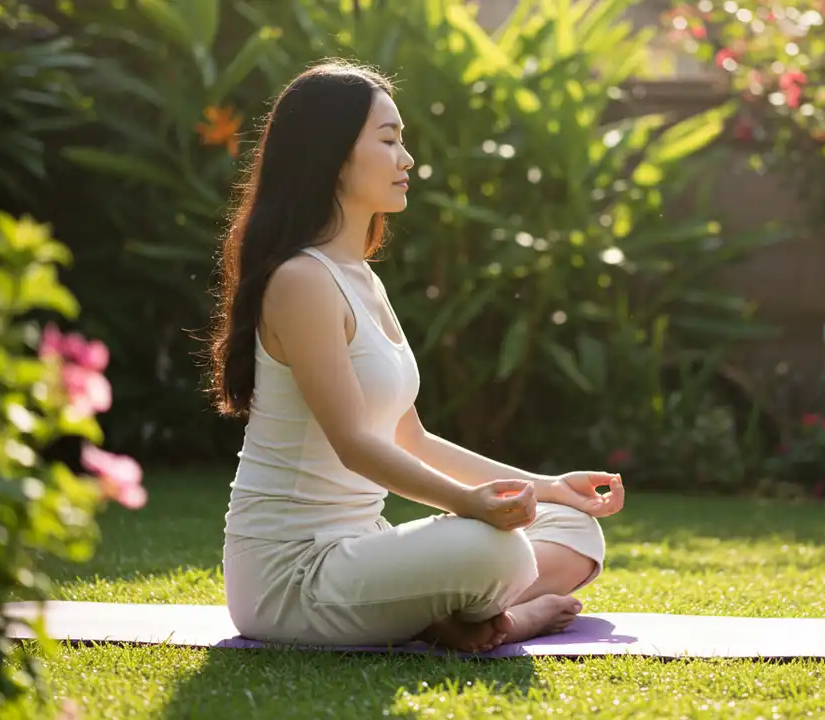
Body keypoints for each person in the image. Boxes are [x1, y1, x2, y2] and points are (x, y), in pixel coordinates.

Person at [206, 59, 625, 654]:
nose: (406, 160)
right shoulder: (301, 280)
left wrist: (548, 487)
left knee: (575, 530)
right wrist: (467, 506)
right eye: (389, 141)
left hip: (363, 550)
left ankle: (456, 616)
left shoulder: (361, 280)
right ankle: (511, 618)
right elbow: (354, 443)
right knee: (494, 549)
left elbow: (412, 438)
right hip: (294, 577)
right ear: (332, 155)